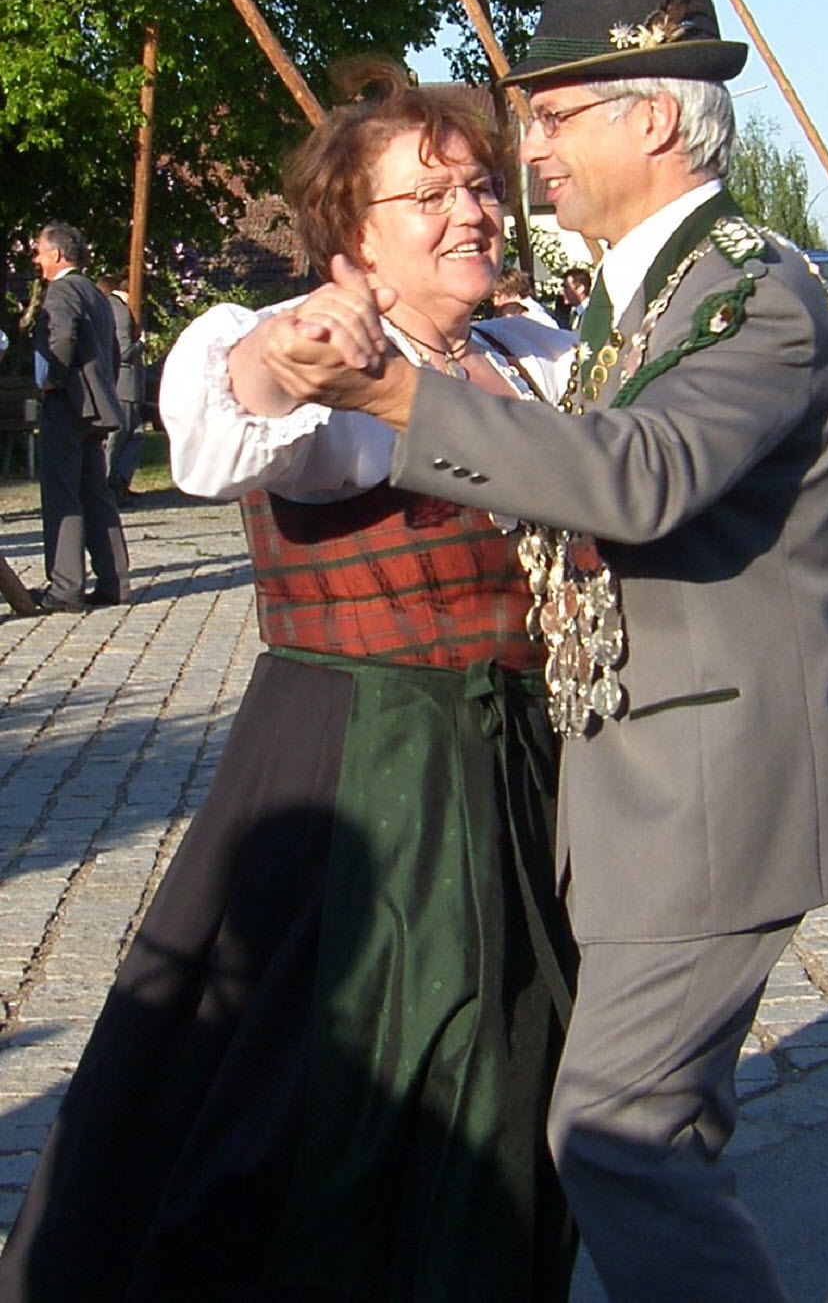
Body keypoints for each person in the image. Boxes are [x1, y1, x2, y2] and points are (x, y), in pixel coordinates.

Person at [229, 0, 828, 1303]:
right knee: (655, 1124)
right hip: (650, 786)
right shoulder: (640, 296)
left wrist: (392, 402)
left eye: (552, 119)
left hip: (721, 789)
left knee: (618, 1135)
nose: (527, 155)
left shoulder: (754, 295)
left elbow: (637, 476)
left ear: (655, 115)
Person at [0, 65, 575, 1303]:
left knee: (517, 1076)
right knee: (311, 1110)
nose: (470, 210)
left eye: (478, 185)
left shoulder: (534, 354)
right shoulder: (322, 359)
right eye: (427, 195)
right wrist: (281, 354)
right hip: (358, 774)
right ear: (351, 242)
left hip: (526, 775)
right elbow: (224, 426)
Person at [29, 223, 130, 613]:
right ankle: (114, 581)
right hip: (96, 406)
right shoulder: (95, 293)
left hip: (69, 404)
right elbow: (113, 348)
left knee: (62, 495)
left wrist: (52, 381)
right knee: (95, 493)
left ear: (56, 255)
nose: (36, 260)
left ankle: (66, 587)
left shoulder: (62, 290)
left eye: (39, 251)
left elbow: (62, 338)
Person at [97, 273, 146, 502]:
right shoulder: (118, 309)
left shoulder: (120, 308)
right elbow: (124, 352)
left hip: (130, 385)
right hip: (122, 384)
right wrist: (141, 344)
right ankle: (105, 485)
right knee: (117, 438)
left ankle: (120, 481)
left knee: (135, 436)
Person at [491, 266, 561, 327]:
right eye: (492, 297)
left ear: (513, 293)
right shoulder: (500, 317)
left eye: (499, 296)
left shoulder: (538, 319)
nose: (495, 303)